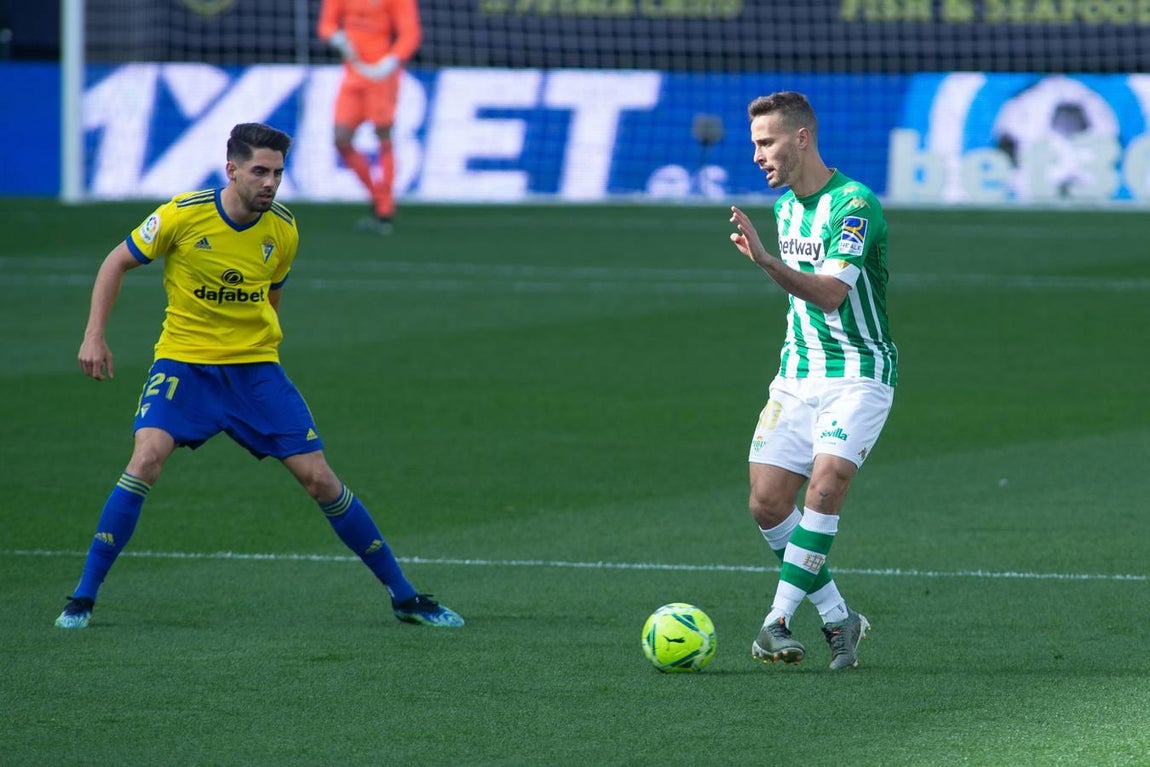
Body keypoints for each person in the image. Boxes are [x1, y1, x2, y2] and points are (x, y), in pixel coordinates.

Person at [54, 123, 463, 630]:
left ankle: (405, 597)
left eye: (277, 173)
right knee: (145, 459)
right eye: (260, 171)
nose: (270, 183)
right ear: (232, 170)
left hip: (255, 373)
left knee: (319, 479)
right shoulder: (182, 215)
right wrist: (93, 336)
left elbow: (272, 294)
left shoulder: (283, 229)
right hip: (186, 365)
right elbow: (115, 263)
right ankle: (82, 598)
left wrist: (261, 346)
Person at [728, 92, 897, 670]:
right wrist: (772, 256)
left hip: (859, 373)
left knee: (824, 487)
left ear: (801, 139)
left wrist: (767, 262)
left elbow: (830, 294)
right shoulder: (785, 209)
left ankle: (774, 622)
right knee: (767, 502)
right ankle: (838, 618)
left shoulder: (854, 205)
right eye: (755, 144)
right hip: (796, 374)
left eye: (766, 142)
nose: (757, 155)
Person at [317, 0, 422, 234]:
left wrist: (392, 60)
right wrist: (337, 38)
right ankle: (378, 197)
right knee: (341, 138)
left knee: (383, 135)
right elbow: (326, 24)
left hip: (382, 74)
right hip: (353, 73)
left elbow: (410, 33)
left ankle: (384, 209)